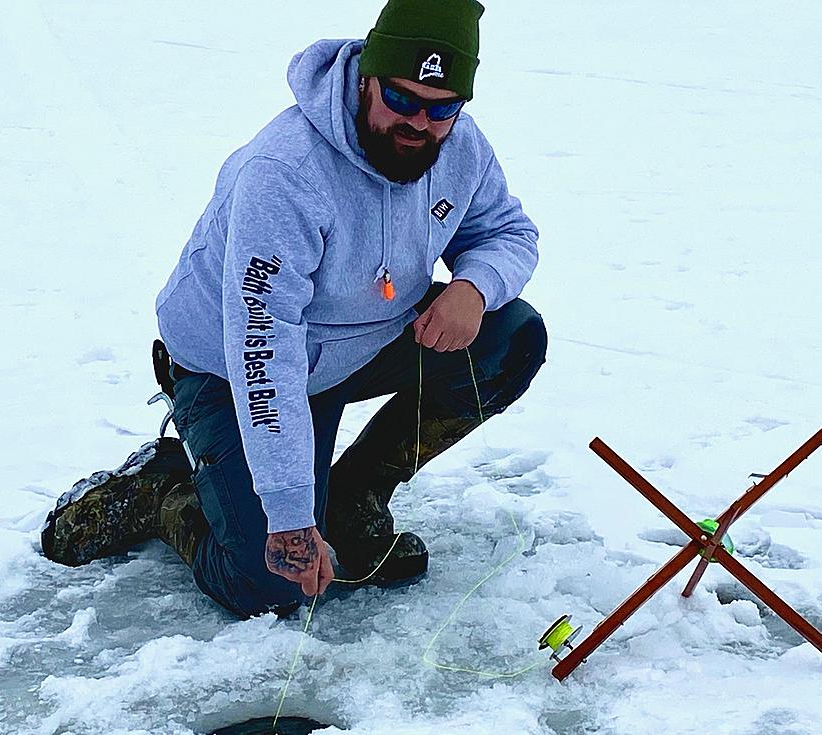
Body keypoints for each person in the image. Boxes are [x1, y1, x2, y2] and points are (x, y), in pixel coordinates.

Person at [42, 0, 547, 620]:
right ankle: (165, 492)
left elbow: (508, 232)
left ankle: (353, 501)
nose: (420, 121)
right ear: (367, 76)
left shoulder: (460, 146)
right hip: (234, 370)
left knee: (512, 337)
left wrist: (474, 286)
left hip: (357, 345)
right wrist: (288, 515)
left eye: (442, 106)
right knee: (272, 581)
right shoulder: (284, 173)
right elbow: (262, 346)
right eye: (401, 99)